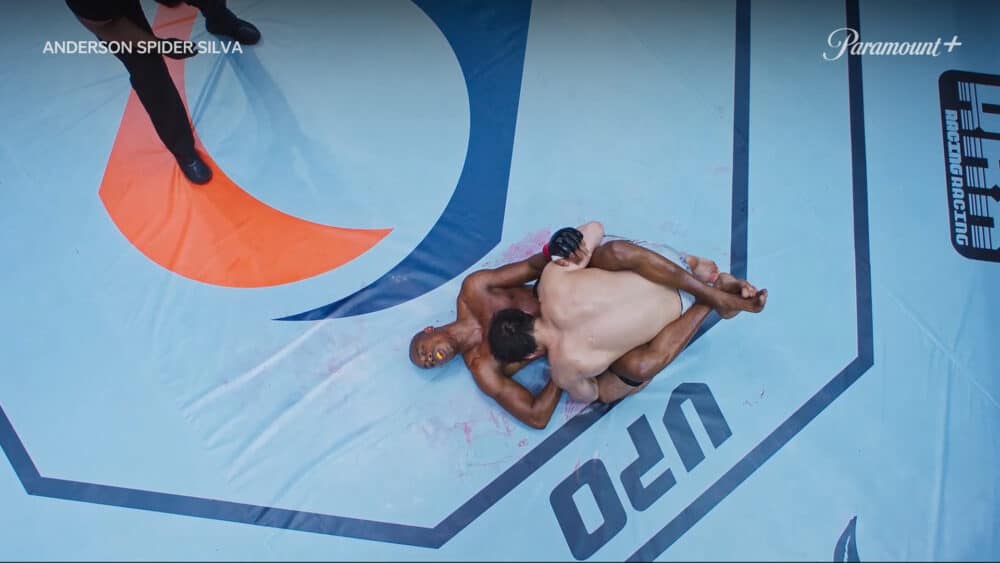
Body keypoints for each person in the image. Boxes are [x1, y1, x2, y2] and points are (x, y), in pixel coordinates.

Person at [410, 224, 763, 428]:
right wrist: (563, 368)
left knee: (600, 254)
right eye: (428, 363)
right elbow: (536, 417)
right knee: (631, 369)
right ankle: (706, 290)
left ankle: (707, 293)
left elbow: (534, 265)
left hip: (576, 306)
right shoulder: (483, 367)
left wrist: (560, 244)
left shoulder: (476, 290)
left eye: (424, 351)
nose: (430, 358)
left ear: (430, 330)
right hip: (577, 320)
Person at [487, 221, 767, 405]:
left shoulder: (564, 369)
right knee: (608, 252)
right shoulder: (550, 280)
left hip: (682, 306)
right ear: (525, 314)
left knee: (619, 384)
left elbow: (592, 394)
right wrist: (572, 253)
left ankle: (711, 300)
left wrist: (579, 366)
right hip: (663, 259)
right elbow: (595, 228)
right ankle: (696, 271)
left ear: (529, 355)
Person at [65, 0, 261, 184]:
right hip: (109, 12)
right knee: (146, 68)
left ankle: (220, 20)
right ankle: (183, 149)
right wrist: (160, 45)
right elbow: (108, 27)